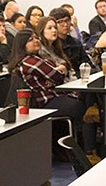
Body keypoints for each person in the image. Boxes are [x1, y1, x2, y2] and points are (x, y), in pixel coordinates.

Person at [8, 28, 97, 160]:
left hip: (57, 95)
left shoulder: (36, 58)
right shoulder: (29, 61)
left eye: (36, 37)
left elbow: (61, 66)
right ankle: (90, 153)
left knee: (91, 96)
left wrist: (58, 71)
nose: (36, 41)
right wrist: (59, 71)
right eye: (30, 40)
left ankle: (91, 149)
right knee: (85, 110)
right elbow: (57, 75)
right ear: (22, 45)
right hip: (48, 101)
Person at [50, 7, 95, 77]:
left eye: (67, 20)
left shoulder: (75, 42)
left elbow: (87, 63)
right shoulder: (52, 44)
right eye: (60, 22)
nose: (65, 24)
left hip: (82, 76)